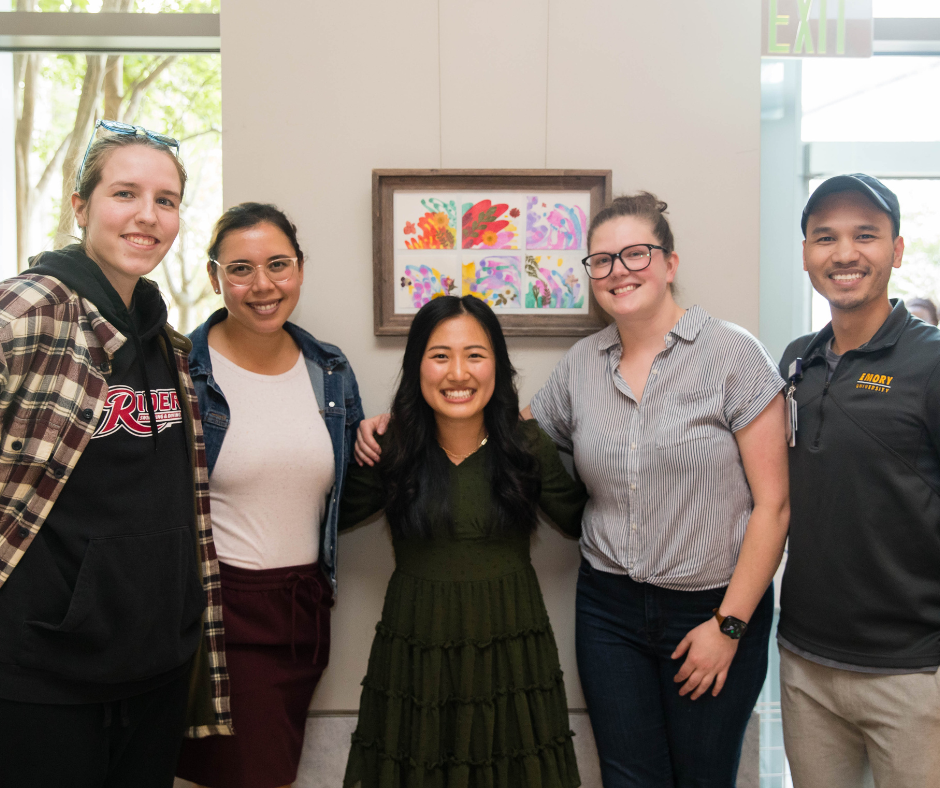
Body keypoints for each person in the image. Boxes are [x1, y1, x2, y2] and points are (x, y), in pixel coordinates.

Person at [357, 192, 790, 788]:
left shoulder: (733, 355)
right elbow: (503, 426)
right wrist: (397, 426)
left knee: (702, 776)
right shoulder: (584, 365)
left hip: (710, 609)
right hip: (609, 611)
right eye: (602, 261)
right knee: (629, 777)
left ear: (670, 263)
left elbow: (775, 506)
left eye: (636, 254)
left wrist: (729, 625)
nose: (619, 271)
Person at [0, 121, 231, 787]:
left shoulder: (166, 343)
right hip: (43, 672)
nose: (147, 216)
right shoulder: (34, 307)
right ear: (81, 206)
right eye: (125, 193)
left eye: (166, 200)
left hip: (153, 663)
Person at [340, 295, 587, 788]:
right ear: (416, 367)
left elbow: (589, 522)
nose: (458, 373)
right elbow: (325, 517)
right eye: (439, 356)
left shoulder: (527, 445)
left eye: (475, 354)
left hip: (511, 654)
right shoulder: (392, 448)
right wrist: (351, 435)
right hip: (418, 656)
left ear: (497, 363)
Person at [175, 203, 363, 788]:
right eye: (241, 269)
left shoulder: (329, 369)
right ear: (214, 278)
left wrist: (386, 437)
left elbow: (345, 485)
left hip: (305, 611)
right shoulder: (182, 369)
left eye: (278, 265)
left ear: (301, 270)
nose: (263, 285)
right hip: (220, 612)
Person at [778, 173, 940, 788]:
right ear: (806, 256)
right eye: (825, 237)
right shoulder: (798, 359)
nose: (844, 253)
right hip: (806, 662)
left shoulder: (932, 361)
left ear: (896, 251)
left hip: (913, 673)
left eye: (865, 235)